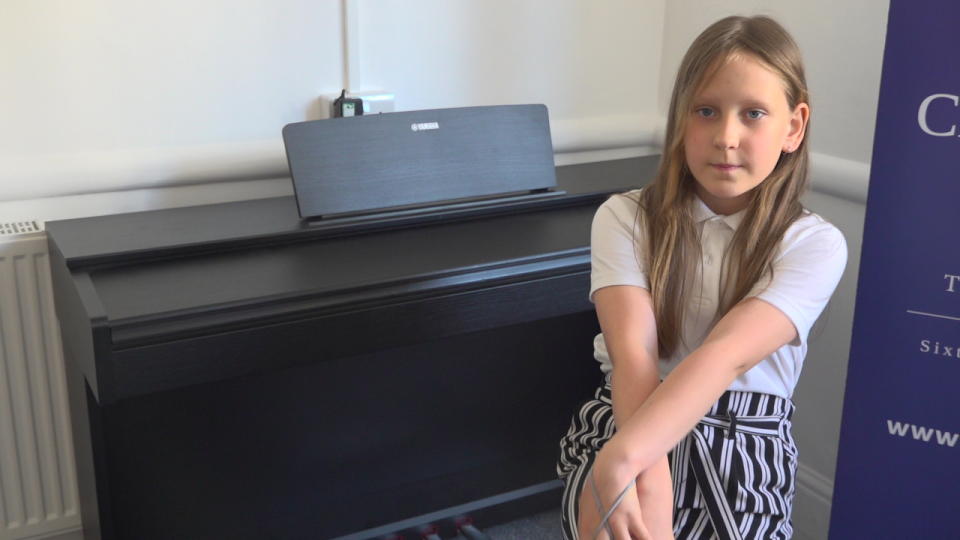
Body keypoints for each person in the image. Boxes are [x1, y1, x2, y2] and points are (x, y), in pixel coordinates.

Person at [556, 15, 847, 540]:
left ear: (794, 127)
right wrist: (637, 469)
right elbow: (634, 358)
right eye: (706, 111)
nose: (725, 137)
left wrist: (623, 462)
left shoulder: (814, 244)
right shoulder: (624, 217)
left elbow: (723, 357)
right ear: (681, 120)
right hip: (631, 410)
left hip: (744, 445)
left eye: (753, 113)